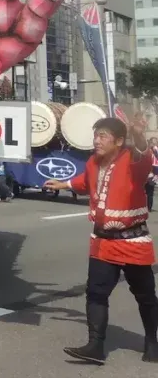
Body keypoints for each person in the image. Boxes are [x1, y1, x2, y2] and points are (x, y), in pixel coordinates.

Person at [45, 116, 158, 364]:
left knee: (145, 296)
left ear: (118, 141)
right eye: (96, 135)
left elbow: (144, 154)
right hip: (103, 242)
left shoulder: (133, 160)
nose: (97, 140)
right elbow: (86, 182)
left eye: (103, 136)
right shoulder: (93, 162)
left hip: (133, 242)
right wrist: (64, 184)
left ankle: (152, 343)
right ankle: (95, 346)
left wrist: (138, 135)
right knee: (95, 293)